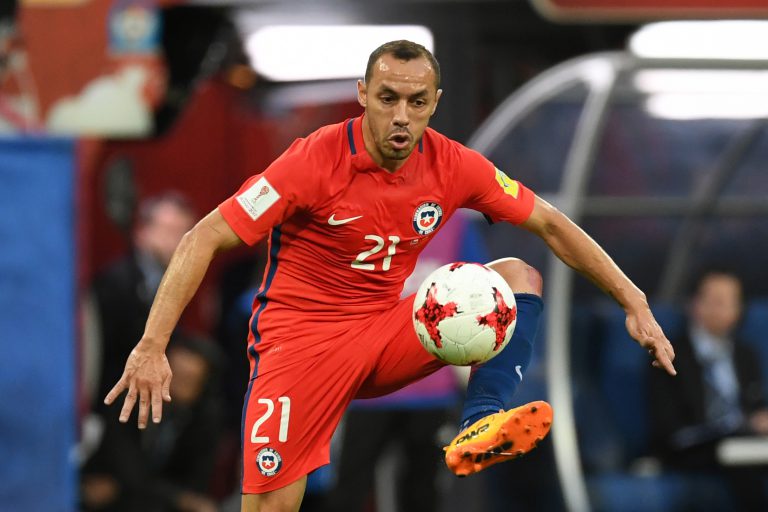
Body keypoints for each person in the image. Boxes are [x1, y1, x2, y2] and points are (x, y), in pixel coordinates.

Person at [104, 40, 676, 511]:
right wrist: (152, 345)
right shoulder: (312, 160)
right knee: (272, 506)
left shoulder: (454, 165)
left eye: (416, 101)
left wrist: (635, 301)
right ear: (363, 95)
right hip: (298, 347)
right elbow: (202, 237)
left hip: (383, 333)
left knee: (516, 275)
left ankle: (481, 423)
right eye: (388, 98)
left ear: (434, 103)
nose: (401, 115)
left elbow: (550, 223)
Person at [649, 269, 768, 510]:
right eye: (715, 301)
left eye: (730, 302)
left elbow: (753, 404)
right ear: (694, 304)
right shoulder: (669, 354)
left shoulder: (745, 354)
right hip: (695, 447)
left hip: (742, 442)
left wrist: (759, 419)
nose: (722, 309)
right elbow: (668, 425)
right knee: (744, 471)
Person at [81, 335, 223, 512]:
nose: (171, 387)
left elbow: (196, 482)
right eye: (170, 375)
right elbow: (128, 472)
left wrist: (181, 499)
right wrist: (178, 498)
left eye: (186, 381)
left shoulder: (206, 420)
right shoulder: (130, 401)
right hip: (114, 497)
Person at [87, 192, 196, 410]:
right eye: (169, 231)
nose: (177, 241)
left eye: (185, 233)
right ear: (142, 232)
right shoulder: (116, 282)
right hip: (112, 400)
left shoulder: (176, 281)